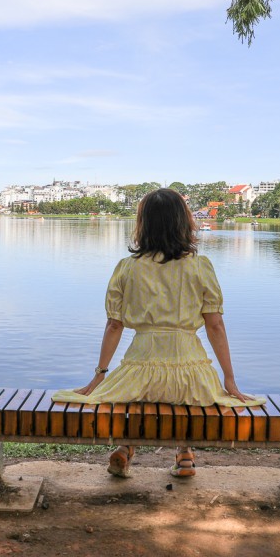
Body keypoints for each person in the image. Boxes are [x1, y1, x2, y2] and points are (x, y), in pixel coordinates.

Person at [51, 188, 264, 479]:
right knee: (184, 396)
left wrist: (100, 374)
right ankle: (185, 454)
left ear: (143, 224)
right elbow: (215, 325)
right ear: (184, 222)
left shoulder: (127, 268)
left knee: (136, 394)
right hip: (191, 372)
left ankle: (126, 448)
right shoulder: (200, 266)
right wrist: (228, 379)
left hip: (140, 367)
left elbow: (115, 325)